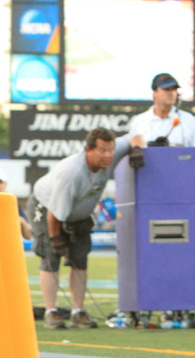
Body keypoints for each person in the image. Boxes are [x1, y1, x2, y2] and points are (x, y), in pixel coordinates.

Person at [26, 127, 132, 329]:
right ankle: (51, 311)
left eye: (110, 150)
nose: (108, 155)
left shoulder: (112, 152)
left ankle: (78, 311)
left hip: (79, 213)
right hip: (47, 207)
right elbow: (54, 214)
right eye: (102, 151)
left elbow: (135, 136)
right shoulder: (71, 173)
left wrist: (137, 148)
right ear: (88, 150)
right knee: (51, 256)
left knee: (80, 258)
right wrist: (56, 239)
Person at [129, 72, 195, 149]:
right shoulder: (139, 121)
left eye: (174, 89)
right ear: (155, 92)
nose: (171, 93)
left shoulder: (188, 120)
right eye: (166, 89)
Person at [0, 167, 32, 240]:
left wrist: (21, 221)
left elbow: (28, 235)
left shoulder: (12, 204)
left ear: (6, 184)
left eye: (0, 182)